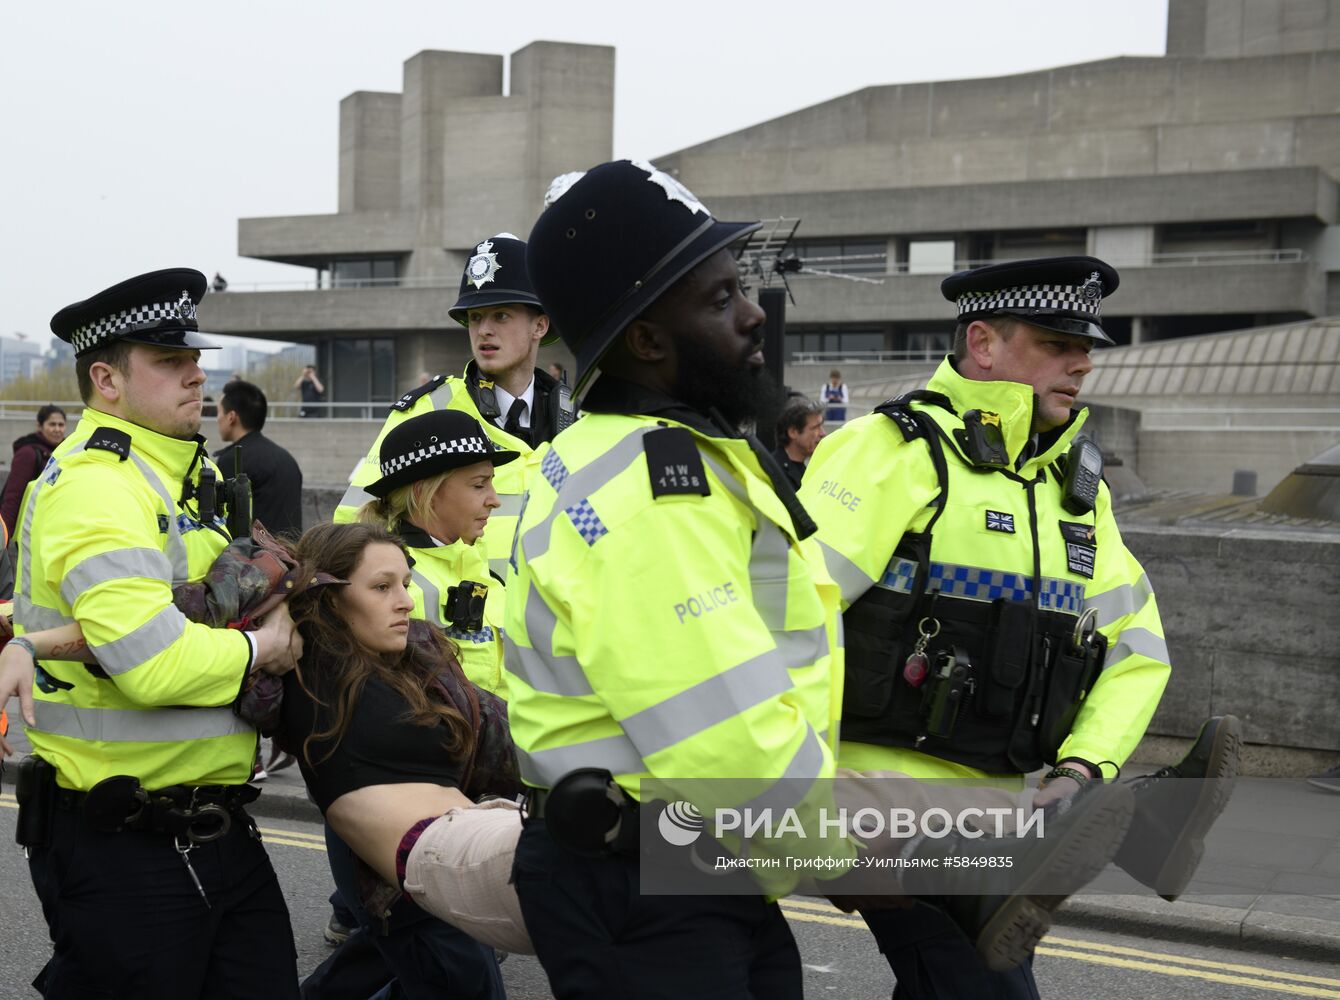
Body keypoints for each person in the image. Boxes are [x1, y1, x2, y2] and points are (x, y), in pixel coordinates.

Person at [503, 160, 1133, 997]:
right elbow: (728, 732)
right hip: (652, 877)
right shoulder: (659, 491)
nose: (755, 312)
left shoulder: (631, 457)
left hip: (689, 860)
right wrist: (857, 863)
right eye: (721, 298)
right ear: (648, 340)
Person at [801, 256, 1241, 999]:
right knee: (984, 987)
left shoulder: (1076, 495)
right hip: (877, 805)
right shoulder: (891, 451)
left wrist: (1083, 766)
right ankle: (1141, 827)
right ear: (983, 343)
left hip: (999, 811)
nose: (1084, 363)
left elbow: (1134, 645)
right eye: (1055, 343)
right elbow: (788, 622)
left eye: (1088, 346)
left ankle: (1122, 814)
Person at [0, 268, 304, 999]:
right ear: (105, 378)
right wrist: (268, 648)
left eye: (194, 359)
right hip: (124, 845)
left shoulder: (175, 476)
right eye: (169, 361)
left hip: (214, 826)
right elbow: (154, 662)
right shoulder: (99, 485)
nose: (197, 375)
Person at [277, 521, 514, 1000]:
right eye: (382, 587)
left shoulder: (415, 658)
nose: (405, 600)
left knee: (685, 851)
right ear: (329, 596)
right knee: (677, 852)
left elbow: (499, 726)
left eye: (405, 583)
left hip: (473, 838)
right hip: (421, 869)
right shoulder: (307, 672)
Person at [334, 233, 576, 576]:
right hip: (454, 622)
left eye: (501, 316)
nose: (484, 331)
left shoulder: (579, 421)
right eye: (475, 317)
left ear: (540, 324)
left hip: (552, 621)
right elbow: (355, 522)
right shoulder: (427, 408)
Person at [358, 409, 513, 697]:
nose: (495, 500)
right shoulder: (393, 584)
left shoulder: (484, 571)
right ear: (423, 494)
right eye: (479, 485)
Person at [214, 378, 304, 539]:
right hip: (290, 556)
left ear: (231, 417)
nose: (217, 419)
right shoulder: (286, 458)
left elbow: (222, 523)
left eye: (219, 412)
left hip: (254, 559)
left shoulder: (233, 460)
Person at [0, 404, 66, 539]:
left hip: (56, 531)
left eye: (61, 425)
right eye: (52, 424)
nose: (57, 429)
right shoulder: (28, 453)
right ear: (40, 426)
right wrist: (3, 540)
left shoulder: (66, 451)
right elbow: (13, 498)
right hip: (31, 533)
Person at [770, 396, 825, 488]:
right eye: (815, 427)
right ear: (793, 432)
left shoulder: (806, 471)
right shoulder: (773, 473)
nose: (823, 433)